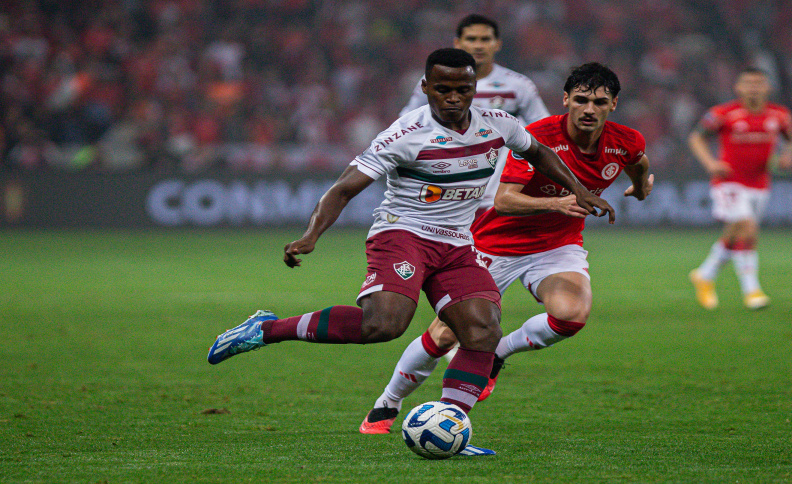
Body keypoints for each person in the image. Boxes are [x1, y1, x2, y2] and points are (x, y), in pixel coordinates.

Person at [207, 48, 614, 454]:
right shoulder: (404, 134)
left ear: (474, 89)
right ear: (426, 88)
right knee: (383, 324)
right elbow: (343, 188)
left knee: (482, 330)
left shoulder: (499, 124)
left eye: (462, 89)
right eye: (442, 89)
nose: (453, 97)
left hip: (457, 243)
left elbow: (538, 152)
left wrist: (577, 187)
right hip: (403, 235)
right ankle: (265, 329)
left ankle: (451, 425)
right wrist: (312, 235)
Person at [360, 62, 652, 435]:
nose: (589, 109)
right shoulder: (538, 137)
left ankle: (499, 353)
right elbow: (504, 200)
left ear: (613, 104)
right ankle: (387, 403)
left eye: (599, 102)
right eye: (580, 100)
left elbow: (637, 163)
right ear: (566, 100)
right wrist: (558, 203)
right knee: (445, 334)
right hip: (495, 245)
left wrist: (641, 187)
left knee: (571, 315)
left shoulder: (625, 140)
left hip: (557, 246)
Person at [400, 14, 551, 211]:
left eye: (485, 39)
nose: (478, 46)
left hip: (496, 197)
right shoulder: (436, 80)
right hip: (446, 192)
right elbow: (406, 125)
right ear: (457, 43)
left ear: (497, 44)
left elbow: (544, 132)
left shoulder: (518, 86)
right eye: (471, 39)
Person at [687, 67, 792, 311]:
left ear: (768, 87)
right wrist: (710, 163)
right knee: (747, 229)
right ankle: (752, 291)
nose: (754, 88)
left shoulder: (780, 115)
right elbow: (696, 137)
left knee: (735, 234)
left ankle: (705, 274)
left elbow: (791, 140)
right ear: (738, 87)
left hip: (759, 184)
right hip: (728, 181)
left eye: (759, 83)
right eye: (748, 83)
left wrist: (787, 155)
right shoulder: (723, 113)